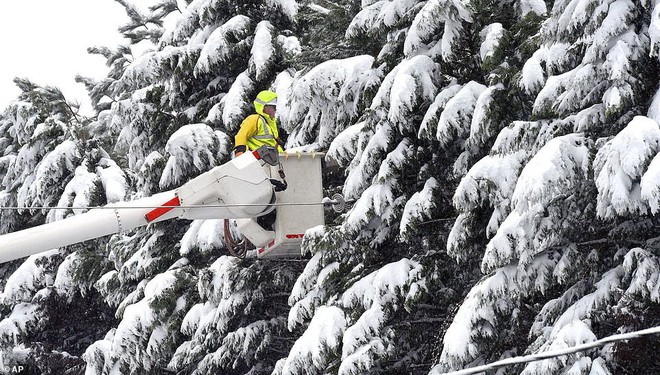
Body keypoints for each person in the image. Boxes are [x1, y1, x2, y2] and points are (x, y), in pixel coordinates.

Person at [234, 90, 284, 156]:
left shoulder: (270, 123)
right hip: (257, 162)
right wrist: (240, 152)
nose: (276, 110)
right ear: (265, 107)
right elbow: (241, 135)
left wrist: (282, 153)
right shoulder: (254, 119)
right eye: (274, 107)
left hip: (271, 161)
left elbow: (272, 143)